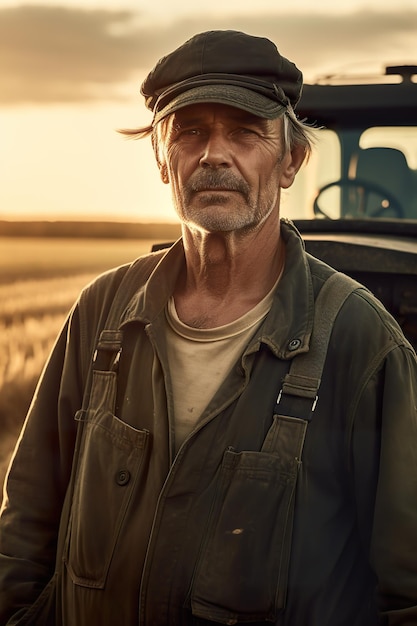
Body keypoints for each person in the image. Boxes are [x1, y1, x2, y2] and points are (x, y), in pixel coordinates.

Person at [0, 29, 417, 626]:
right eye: (190, 131)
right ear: (162, 159)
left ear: (291, 160)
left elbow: (407, 588)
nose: (214, 154)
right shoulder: (103, 313)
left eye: (246, 132)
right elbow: (26, 525)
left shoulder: (361, 340)